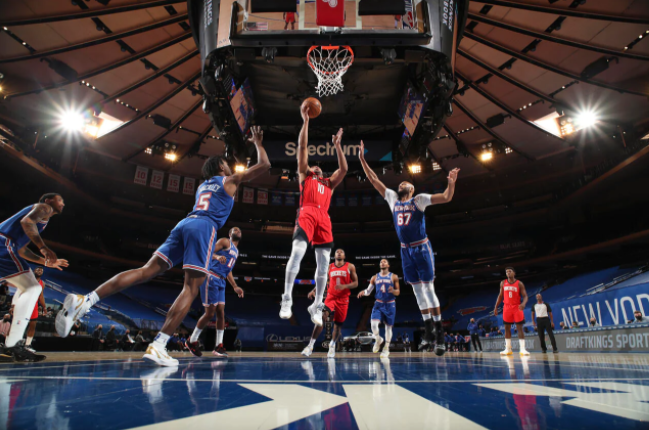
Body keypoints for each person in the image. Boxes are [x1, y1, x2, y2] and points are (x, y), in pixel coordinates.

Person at [56, 127, 270, 367]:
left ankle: (86, 300)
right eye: (226, 164)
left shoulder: (203, 187)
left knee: (145, 271)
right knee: (191, 288)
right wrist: (259, 143)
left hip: (185, 223)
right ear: (221, 168)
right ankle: (158, 345)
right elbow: (264, 166)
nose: (230, 167)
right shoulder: (228, 180)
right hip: (204, 226)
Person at [359, 141, 460, 356]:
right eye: (401, 181)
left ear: (412, 188)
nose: (402, 182)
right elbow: (374, 180)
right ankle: (429, 332)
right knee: (416, 291)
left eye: (406, 181)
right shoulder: (393, 199)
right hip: (405, 250)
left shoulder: (419, 200)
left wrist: (451, 183)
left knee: (428, 289)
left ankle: (440, 334)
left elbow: (447, 197)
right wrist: (362, 160)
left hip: (421, 248)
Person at [279, 107, 348, 325]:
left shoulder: (329, 183)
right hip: (307, 212)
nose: (316, 167)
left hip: (324, 218)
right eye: (314, 165)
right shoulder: (305, 175)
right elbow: (302, 147)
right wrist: (306, 121)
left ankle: (318, 305)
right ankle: (287, 298)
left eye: (319, 167)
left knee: (323, 264)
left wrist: (338, 146)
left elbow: (344, 169)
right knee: (297, 253)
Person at [0, 194, 68, 362]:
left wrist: (46, 262)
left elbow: (22, 251)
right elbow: (27, 222)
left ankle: (11, 346)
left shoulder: (42, 220)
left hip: (7, 246)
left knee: (31, 287)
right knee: (32, 287)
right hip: (2, 244)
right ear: (48, 200)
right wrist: (43, 247)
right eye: (60, 200)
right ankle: (12, 345)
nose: (63, 203)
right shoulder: (44, 208)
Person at [186, 227, 245, 359]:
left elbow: (228, 270)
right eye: (235, 229)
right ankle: (192, 341)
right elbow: (207, 252)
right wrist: (217, 256)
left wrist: (235, 286)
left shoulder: (236, 251)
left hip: (222, 281)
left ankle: (219, 346)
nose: (238, 230)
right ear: (230, 234)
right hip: (211, 277)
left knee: (221, 313)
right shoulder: (225, 242)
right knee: (209, 313)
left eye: (240, 230)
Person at [301, 249, 358, 358]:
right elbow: (322, 281)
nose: (339, 253)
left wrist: (344, 286)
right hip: (330, 297)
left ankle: (332, 346)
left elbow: (356, 283)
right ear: (334, 255)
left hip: (343, 299)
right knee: (321, 318)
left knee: (337, 326)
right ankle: (310, 346)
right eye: (337, 252)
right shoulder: (329, 267)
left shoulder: (350, 266)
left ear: (344, 255)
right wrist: (314, 290)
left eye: (342, 252)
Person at [356, 259, 400, 358]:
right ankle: (378, 339)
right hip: (378, 304)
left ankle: (386, 348)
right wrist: (364, 292)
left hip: (390, 304)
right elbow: (368, 291)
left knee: (388, 327)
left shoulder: (394, 276)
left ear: (388, 265)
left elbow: (398, 292)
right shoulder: (374, 277)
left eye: (384, 261)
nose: (382, 263)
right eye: (381, 262)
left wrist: (393, 290)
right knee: (373, 325)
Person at [494, 267, 530, 356]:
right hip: (506, 307)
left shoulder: (519, 283)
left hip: (517, 307)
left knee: (519, 328)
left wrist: (523, 304)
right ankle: (508, 349)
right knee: (507, 328)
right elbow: (500, 296)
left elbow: (525, 296)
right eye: (506, 272)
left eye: (510, 271)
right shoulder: (503, 283)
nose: (508, 273)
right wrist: (496, 307)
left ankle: (522, 349)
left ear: (514, 273)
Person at [12, 266, 47, 354]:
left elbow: (41, 296)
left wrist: (44, 307)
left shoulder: (42, 283)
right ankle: (13, 344)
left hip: (33, 306)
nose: (39, 271)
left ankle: (27, 345)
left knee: (32, 326)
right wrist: (13, 305)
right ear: (34, 271)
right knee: (18, 325)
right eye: (38, 270)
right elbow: (18, 292)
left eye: (41, 270)